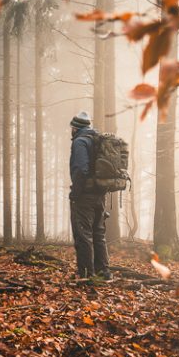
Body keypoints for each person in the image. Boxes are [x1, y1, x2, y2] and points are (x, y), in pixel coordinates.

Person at [69, 112, 110, 280]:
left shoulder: (80, 142)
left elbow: (80, 169)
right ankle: (103, 273)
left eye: (72, 127)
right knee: (98, 234)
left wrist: (75, 194)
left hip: (84, 196)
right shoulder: (97, 140)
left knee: (83, 234)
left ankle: (86, 274)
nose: (71, 130)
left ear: (76, 128)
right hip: (100, 194)